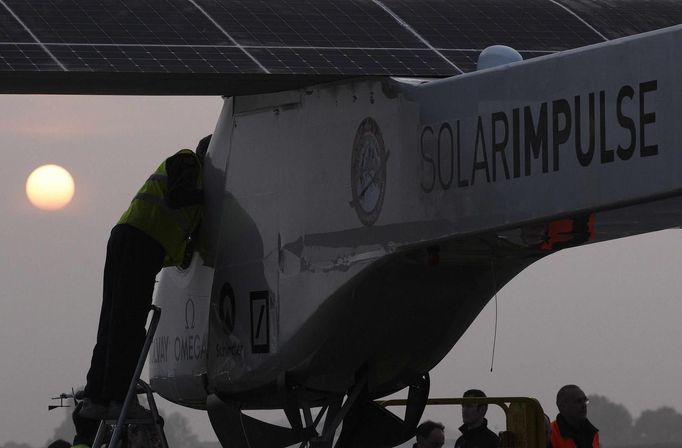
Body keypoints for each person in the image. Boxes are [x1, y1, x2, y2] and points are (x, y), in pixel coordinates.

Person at [77, 135, 210, 424]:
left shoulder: (194, 182)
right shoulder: (189, 161)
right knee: (129, 325)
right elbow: (177, 196)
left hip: (131, 240)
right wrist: (212, 195)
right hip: (141, 244)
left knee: (113, 322)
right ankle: (117, 398)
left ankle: (96, 397)